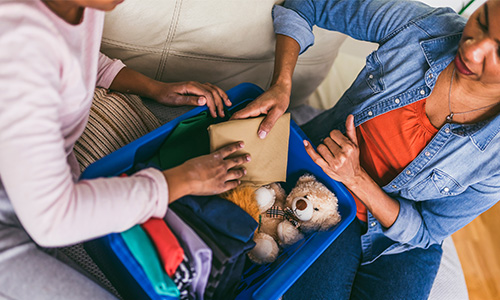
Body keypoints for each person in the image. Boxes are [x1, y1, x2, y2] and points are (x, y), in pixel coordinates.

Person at [233, 0, 500, 299]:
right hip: (329, 199)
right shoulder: (423, 28)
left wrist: (357, 178)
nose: (473, 49)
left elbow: (427, 230)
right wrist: (282, 84)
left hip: (400, 241)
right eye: (483, 22)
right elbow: (307, 4)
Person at [0, 0, 250, 298]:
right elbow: (53, 219)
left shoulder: (78, 6)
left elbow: (78, 56)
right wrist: (184, 180)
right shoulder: (17, 46)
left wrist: (155, 88)